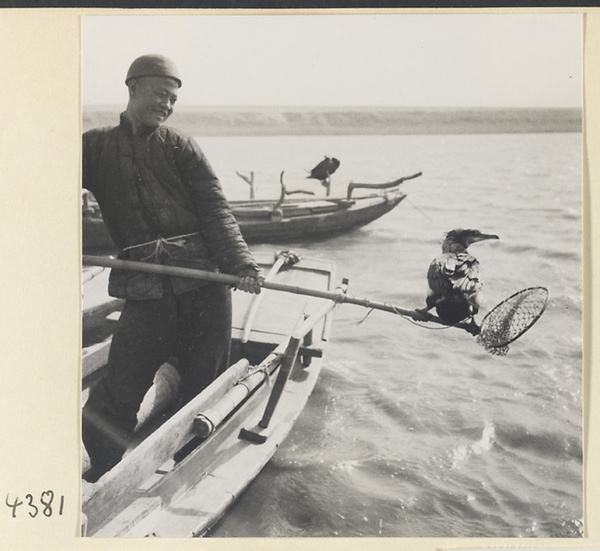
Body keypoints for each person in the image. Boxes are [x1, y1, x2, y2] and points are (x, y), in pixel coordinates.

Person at [82, 54, 263, 482]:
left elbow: (216, 210)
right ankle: (101, 475)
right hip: (145, 286)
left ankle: (190, 466)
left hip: (204, 280)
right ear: (132, 88)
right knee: (119, 388)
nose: (167, 104)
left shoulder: (180, 146)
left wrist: (241, 263)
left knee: (206, 378)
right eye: (161, 94)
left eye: (173, 98)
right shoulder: (95, 146)